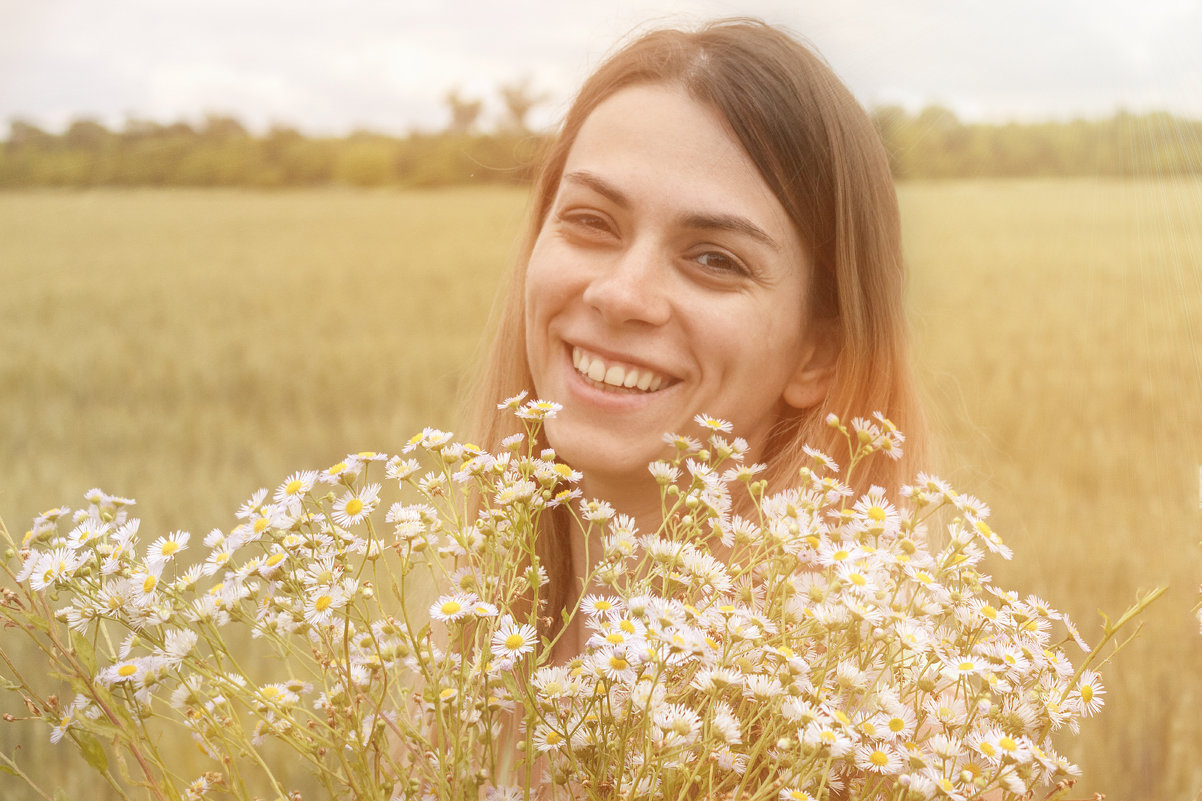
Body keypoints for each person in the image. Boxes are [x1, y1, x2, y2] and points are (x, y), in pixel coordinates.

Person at [462, 17, 925, 659]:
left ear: (819, 354)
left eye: (715, 259)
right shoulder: (453, 669)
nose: (621, 295)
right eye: (592, 221)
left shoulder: (877, 728)